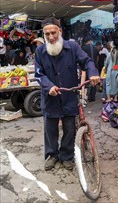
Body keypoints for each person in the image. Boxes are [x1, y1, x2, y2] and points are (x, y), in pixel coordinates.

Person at [35, 17, 100, 171]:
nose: (51, 37)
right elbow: (39, 74)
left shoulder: (72, 47)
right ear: (44, 35)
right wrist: (48, 86)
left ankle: (66, 156)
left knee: (70, 129)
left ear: (60, 31)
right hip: (50, 97)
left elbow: (87, 61)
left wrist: (93, 73)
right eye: (47, 34)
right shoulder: (40, 51)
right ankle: (52, 155)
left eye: (53, 33)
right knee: (50, 129)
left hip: (69, 95)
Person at [82, 36, 98, 102]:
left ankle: (86, 96)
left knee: (86, 82)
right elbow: (97, 58)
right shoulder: (95, 48)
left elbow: (82, 58)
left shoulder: (83, 48)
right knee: (94, 82)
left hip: (86, 67)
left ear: (86, 42)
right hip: (94, 66)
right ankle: (92, 97)